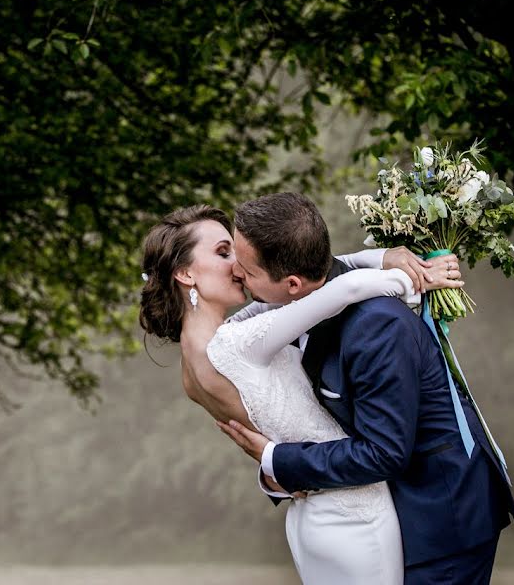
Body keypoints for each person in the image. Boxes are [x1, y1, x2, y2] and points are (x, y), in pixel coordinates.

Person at [139, 201, 469, 583]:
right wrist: (418, 277)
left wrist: (273, 467)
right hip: (355, 511)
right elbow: (341, 288)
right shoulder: (236, 343)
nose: (237, 266)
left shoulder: (194, 363)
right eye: (223, 252)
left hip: (308, 514)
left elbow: (300, 279)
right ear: (185, 273)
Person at [217, 193, 514, 585]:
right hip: (389, 509)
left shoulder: (377, 329)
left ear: (292, 283)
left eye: (246, 269)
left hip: (441, 515)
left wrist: (279, 460)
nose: (237, 275)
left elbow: (384, 452)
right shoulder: (303, 303)